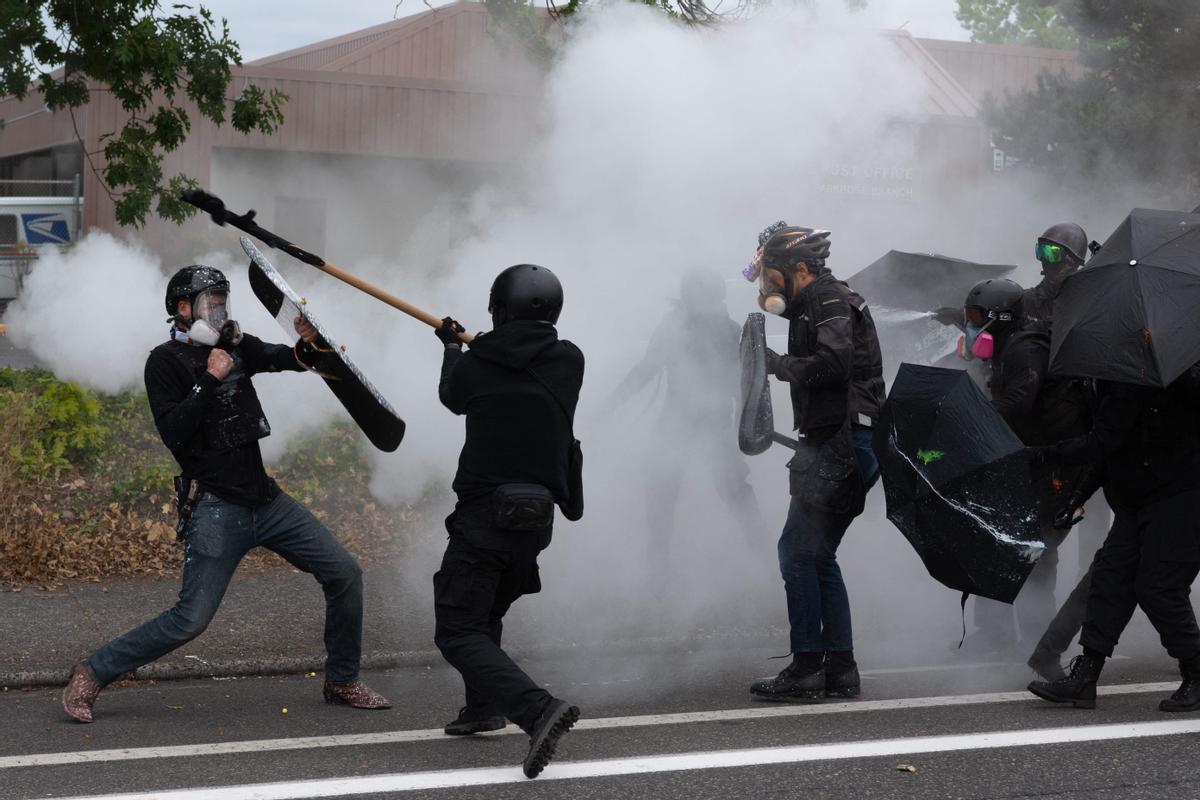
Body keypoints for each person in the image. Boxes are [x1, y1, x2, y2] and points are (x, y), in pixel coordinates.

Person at [62, 265, 389, 723]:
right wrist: (210, 379)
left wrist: (310, 345)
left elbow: (284, 358)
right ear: (182, 308)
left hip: (266, 500)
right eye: (209, 302)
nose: (219, 310)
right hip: (216, 507)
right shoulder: (164, 362)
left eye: (222, 301)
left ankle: (342, 680)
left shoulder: (234, 344)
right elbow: (174, 432)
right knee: (189, 620)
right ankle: (91, 672)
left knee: (345, 573)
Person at [432, 264, 585, 779]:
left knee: (456, 630)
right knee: (487, 609)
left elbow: (452, 395)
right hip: (535, 521)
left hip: (484, 519)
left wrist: (452, 347)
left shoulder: (477, 364)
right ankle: (483, 707)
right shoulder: (569, 361)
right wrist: (474, 348)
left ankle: (538, 711)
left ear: (500, 309)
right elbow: (515, 357)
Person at [741, 223, 885, 702]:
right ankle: (840, 670)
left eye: (772, 273)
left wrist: (777, 364)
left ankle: (806, 668)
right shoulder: (814, 303)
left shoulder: (826, 299)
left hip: (843, 443)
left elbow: (834, 364)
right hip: (839, 441)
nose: (767, 285)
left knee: (796, 553)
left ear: (798, 268)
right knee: (818, 556)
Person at [1027, 364, 1200, 712]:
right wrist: (1076, 496)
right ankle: (1086, 676)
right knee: (1109, 582)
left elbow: (1102, 440)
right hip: (1137, 498)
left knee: (1158, 586)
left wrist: (1044, 455)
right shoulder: (1117, 371)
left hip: (1180, 495)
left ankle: (1196, 670)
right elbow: (1112, 450)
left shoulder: (1147, 371)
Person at [954, 278, 1094, 661]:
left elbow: (1019, 400)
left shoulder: (1025, 346)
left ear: (999, 317)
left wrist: (970, 415)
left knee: (1036, 556)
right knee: (999, 543)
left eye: (976, 318)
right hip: (1028, 463)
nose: (971, 325)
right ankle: (1000, 637)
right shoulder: (1007, 345)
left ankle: (1038, 646)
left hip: (1052, 468)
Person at [608, 268, 766, 564]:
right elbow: (647, 368)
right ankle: (659, 563)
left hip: (712, 423)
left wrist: (743, 427)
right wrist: (614, 402)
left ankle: (767, 557)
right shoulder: (681, 327)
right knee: (663, 489)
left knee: (731, 490)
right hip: (677, 422)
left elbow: (742, 386)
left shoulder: (730, 331)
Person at [1021, 222, 1089, 331]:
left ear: (1071, 262)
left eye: (1051, 253)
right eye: (1041, 251)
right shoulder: (1025, 300)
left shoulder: (1084, 308)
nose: (1044, 258)